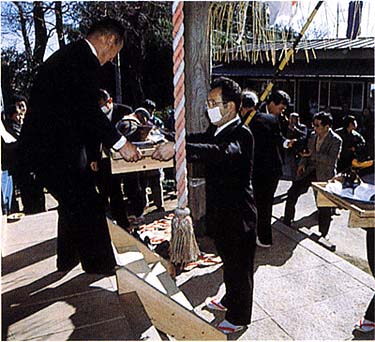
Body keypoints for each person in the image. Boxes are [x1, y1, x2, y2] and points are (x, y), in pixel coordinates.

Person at [19, 18, 141, 276]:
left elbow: (75, 112)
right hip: (50, 150)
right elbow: (87, 111)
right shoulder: (82, 59)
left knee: (73, 200)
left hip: (54, 148)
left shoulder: (71, 56)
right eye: (114, 54)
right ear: (109, 40)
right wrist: (122, 144)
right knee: (88, 204)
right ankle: (102, 268)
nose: (110, 60)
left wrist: (92, 155)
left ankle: (67, 259)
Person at [152, 77, 257, 334]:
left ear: (230, 107)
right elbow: (199, 139)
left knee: (239, 268)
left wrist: (179, 148)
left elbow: (220, 152)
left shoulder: (242, 135)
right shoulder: (217, 131)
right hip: (221, 213)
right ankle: (229, 299)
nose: (208, 107)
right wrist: (169, 137)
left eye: (213, 102)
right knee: (228, 262)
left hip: (239, 214)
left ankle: (239, 316)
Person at [283, 112, 342, 243]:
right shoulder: (313, 136)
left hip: (324, 174)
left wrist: (313, 155)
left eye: (317, 125)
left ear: (327, 126)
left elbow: (331, 160)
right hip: (310, 171)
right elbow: (306, 153)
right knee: (292, 192)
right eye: (313, 124)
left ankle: (323, 234)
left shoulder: (336, 140)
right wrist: (302, 164)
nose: (314, 127)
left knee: (323, 205)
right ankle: (287, 219)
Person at [248, 90, 295, 247]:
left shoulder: (277, 118)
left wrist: (286, 143)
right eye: (281, 108)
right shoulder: (254, 114)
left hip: (271, 168)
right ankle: (259, 235)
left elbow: (278, 137)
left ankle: (263, 236)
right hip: (256, 166)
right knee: (259, 203)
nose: (282, 112)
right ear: (272, 104)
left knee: (265, 203)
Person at [91, 89, 133, 229]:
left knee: (119, 192)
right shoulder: (93, 115)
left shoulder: (124, 111)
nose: (100, 109)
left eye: (102, 105)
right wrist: (93, 159)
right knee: (103, 192)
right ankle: (105, 225)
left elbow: (133, 130)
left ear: (109, 101)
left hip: (122, 157)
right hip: (101, 160)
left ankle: (123, 223)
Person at [282, 112, 308, 180]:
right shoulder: (286, 127)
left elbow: (304, 136)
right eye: (291, 118)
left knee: (299, 167)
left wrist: (295, 130)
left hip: (299, 150)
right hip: (290, 150)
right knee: (292, 168)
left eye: (294, 119)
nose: (292, 120)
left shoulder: (302, 127)